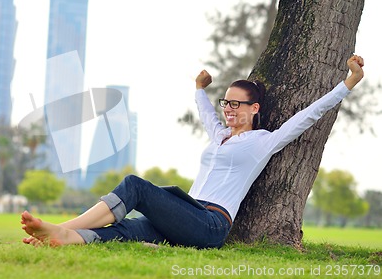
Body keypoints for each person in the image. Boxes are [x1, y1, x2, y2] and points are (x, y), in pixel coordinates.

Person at [20, 55, 365, 249]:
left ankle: (61, 227)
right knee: (130, 230)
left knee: (135, 185)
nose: (228, 109)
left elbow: (309, 116)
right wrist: (200, 89)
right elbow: (205, 112)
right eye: (225, 102)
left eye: (236, 104)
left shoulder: (264, 141)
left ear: (254, 107)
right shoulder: (218, 137)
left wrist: (347, 83)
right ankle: (67, 239)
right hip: (185, 214)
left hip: (209, 224)